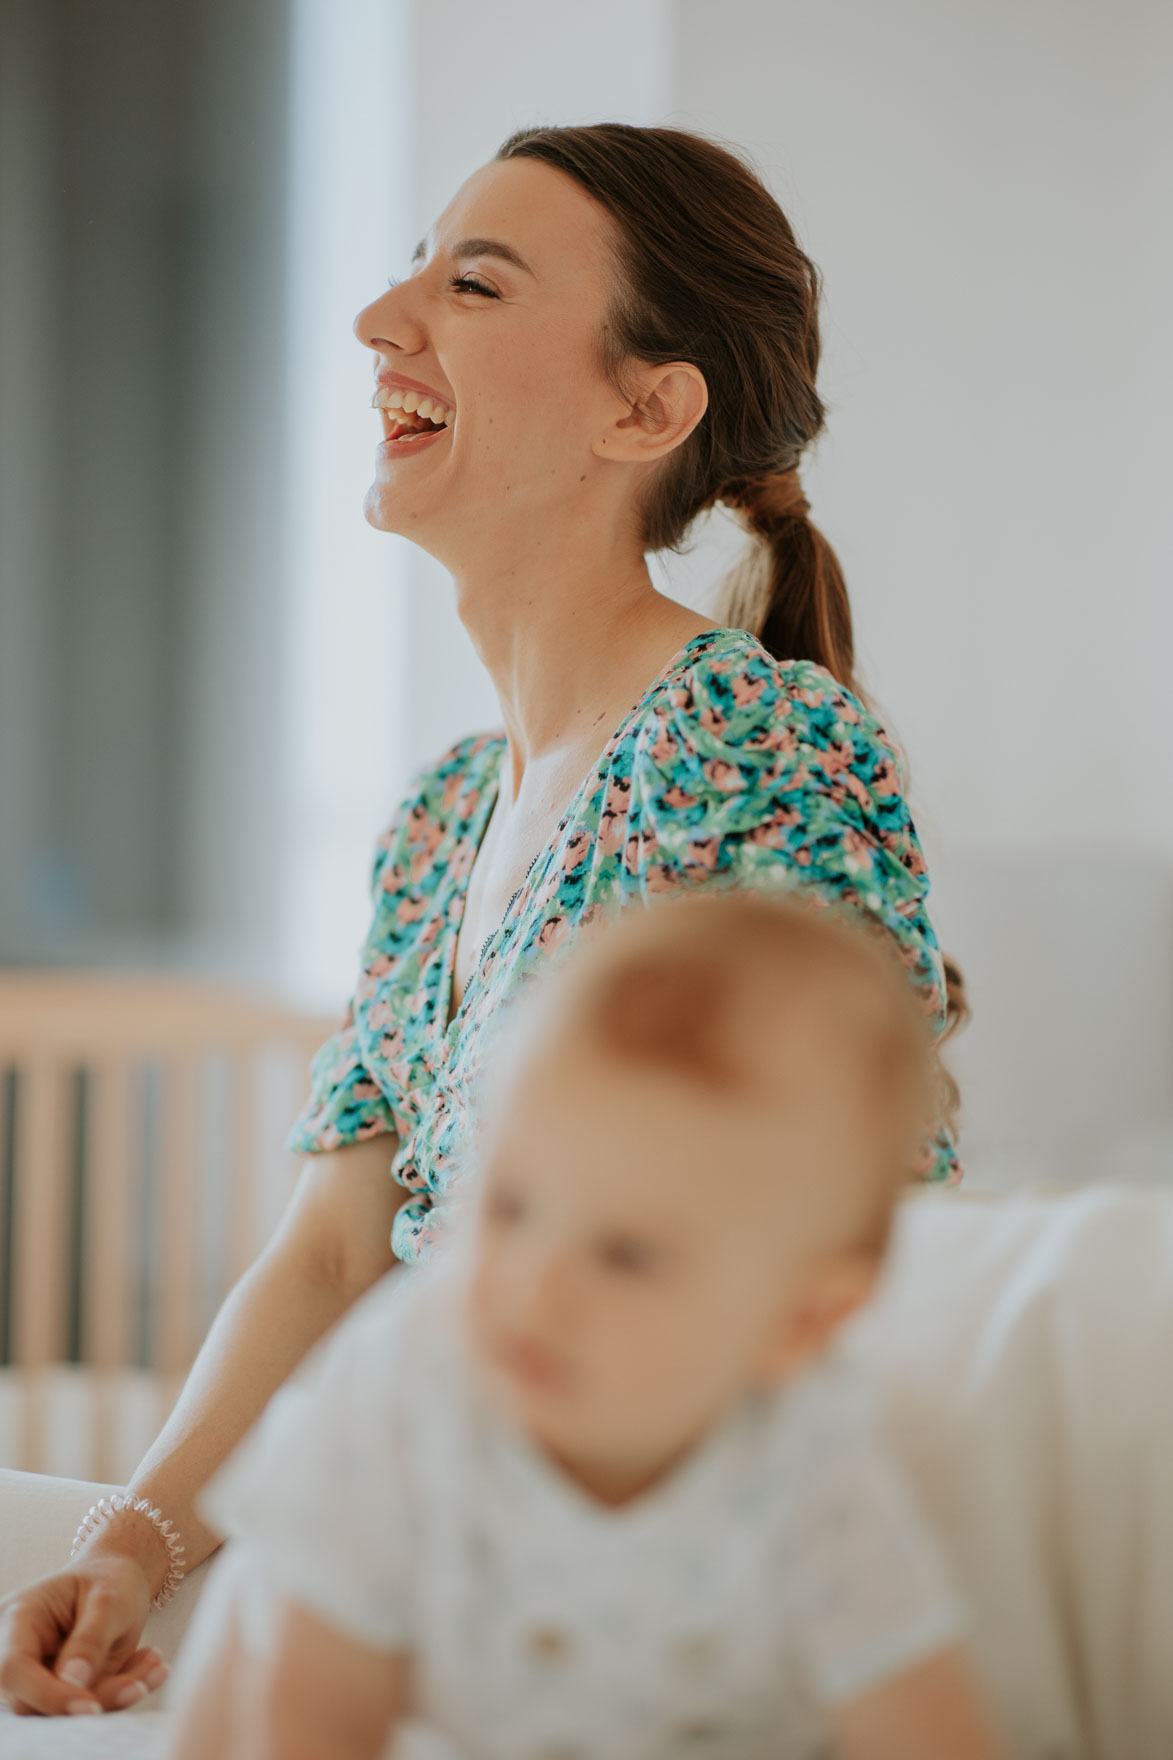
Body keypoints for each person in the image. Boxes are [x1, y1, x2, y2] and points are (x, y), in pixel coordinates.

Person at [0, 122, 967, 1718]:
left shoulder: (752, 745)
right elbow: (326, 1250)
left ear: (646, 408)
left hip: (629, 1581)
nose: (385, 317)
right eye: (411, 270)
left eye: (473, 282)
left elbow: (850, 1235)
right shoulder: (446, 815)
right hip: (430, 1503)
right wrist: (133, 1545)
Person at [167, 891, 1001, 1760]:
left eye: (626, 1255)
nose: (533, 1290)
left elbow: (925, 1725)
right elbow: (319, 1708)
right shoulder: (404, 1388)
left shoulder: (814, 1470)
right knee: (252, 1614)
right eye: (511, 1207)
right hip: (365, 1692)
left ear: (801, 1319)